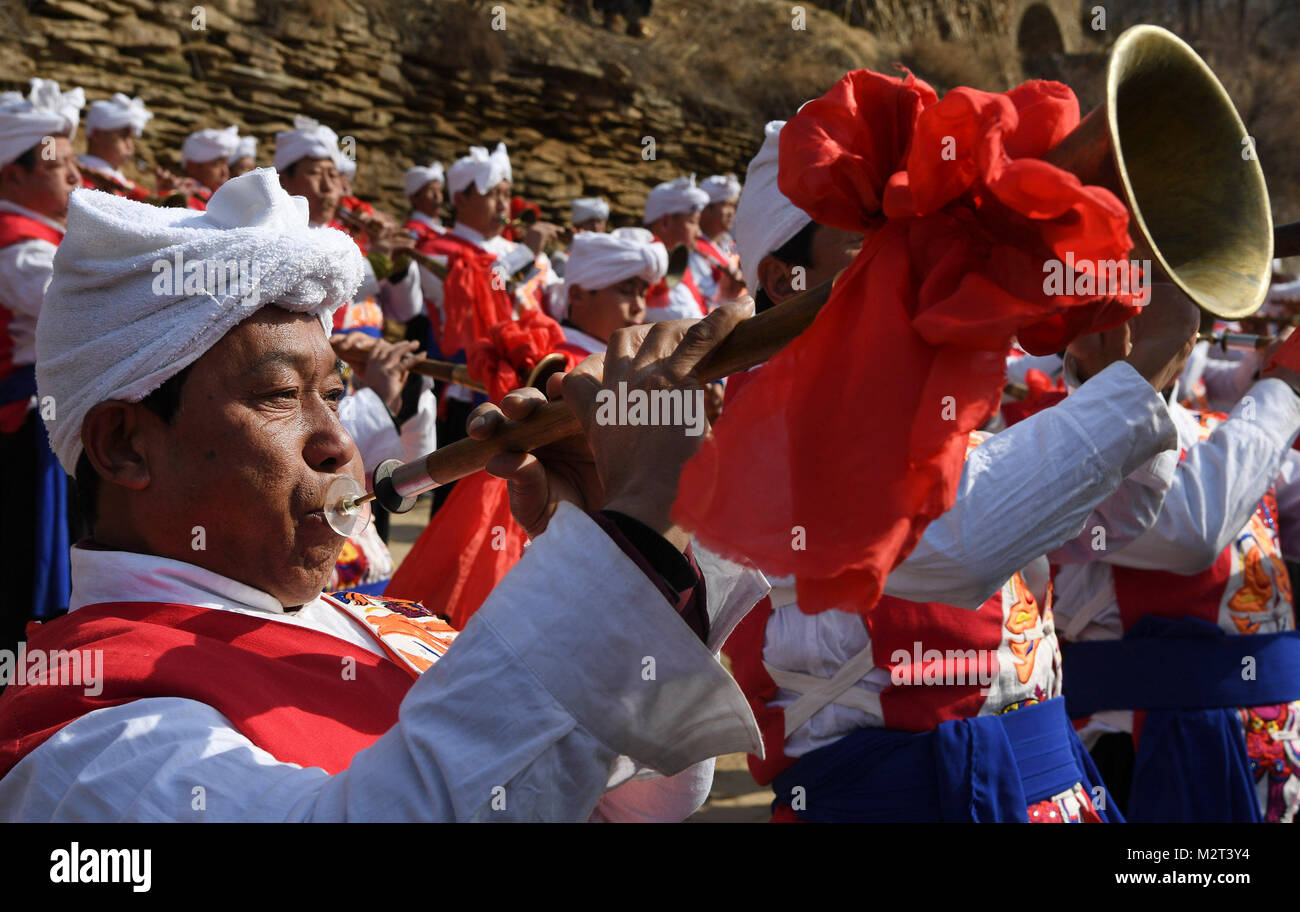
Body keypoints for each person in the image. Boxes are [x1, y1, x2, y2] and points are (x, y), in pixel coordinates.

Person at [0, 169, 765, 822]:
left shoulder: (371, 620)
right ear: (126, 445)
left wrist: (627, 540)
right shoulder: (85, 734)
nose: (337, 440)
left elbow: (641, 795)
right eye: (277, 395)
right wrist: (626, 545)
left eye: (334, 394)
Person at [718, 108, 1200, 822]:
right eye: (870, 248)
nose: (910, 267)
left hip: (1048, 785)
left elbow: (1103, 526)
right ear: (782, 277)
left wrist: (1122, 377)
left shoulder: (917, 402)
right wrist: (1133, 389)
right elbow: (950, 545)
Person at [1052, 329, 1300, 822]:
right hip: (1130, 752)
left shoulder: (1225, 430)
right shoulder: (1053, 446)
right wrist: (1285, 385)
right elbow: (1193, 531)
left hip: (1270, 749)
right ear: (1076, 338)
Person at [0, 78, 84, 666]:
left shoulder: (46, 239)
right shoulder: (18, 250)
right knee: (27, 572)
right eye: (61, 166)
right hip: (25, 431)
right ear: (13, 175)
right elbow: (76, 315)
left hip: (45, 423)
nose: (77, 177)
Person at [642, 175, 710, 321]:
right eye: (693, 222)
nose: (698, 233)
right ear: (665, 222)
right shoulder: (646, 273)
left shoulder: (680, 266)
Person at [77, 93, 151, 200]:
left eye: (132, 139)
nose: (130, 146)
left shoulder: (127, 184)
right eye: (124, 137)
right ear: (97, 135)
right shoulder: (80, 180)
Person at [692, 173, 746, 308]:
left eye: (732, 206)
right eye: (724, 204)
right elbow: (702, 298)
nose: (731, 212)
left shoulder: (730, 244)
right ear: (705, 209)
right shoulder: (693, 249)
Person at [167, 125, 239, 210]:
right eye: (217, 164)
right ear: (192, 166)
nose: (225, 172)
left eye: (226, 164)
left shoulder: (221, 195)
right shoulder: (183, 195)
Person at [403, 160, 446, 246]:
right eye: (431, 190)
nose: (437, 196)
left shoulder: (444, 230)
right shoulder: (411, 232)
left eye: (439, 190)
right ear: (413, 198)